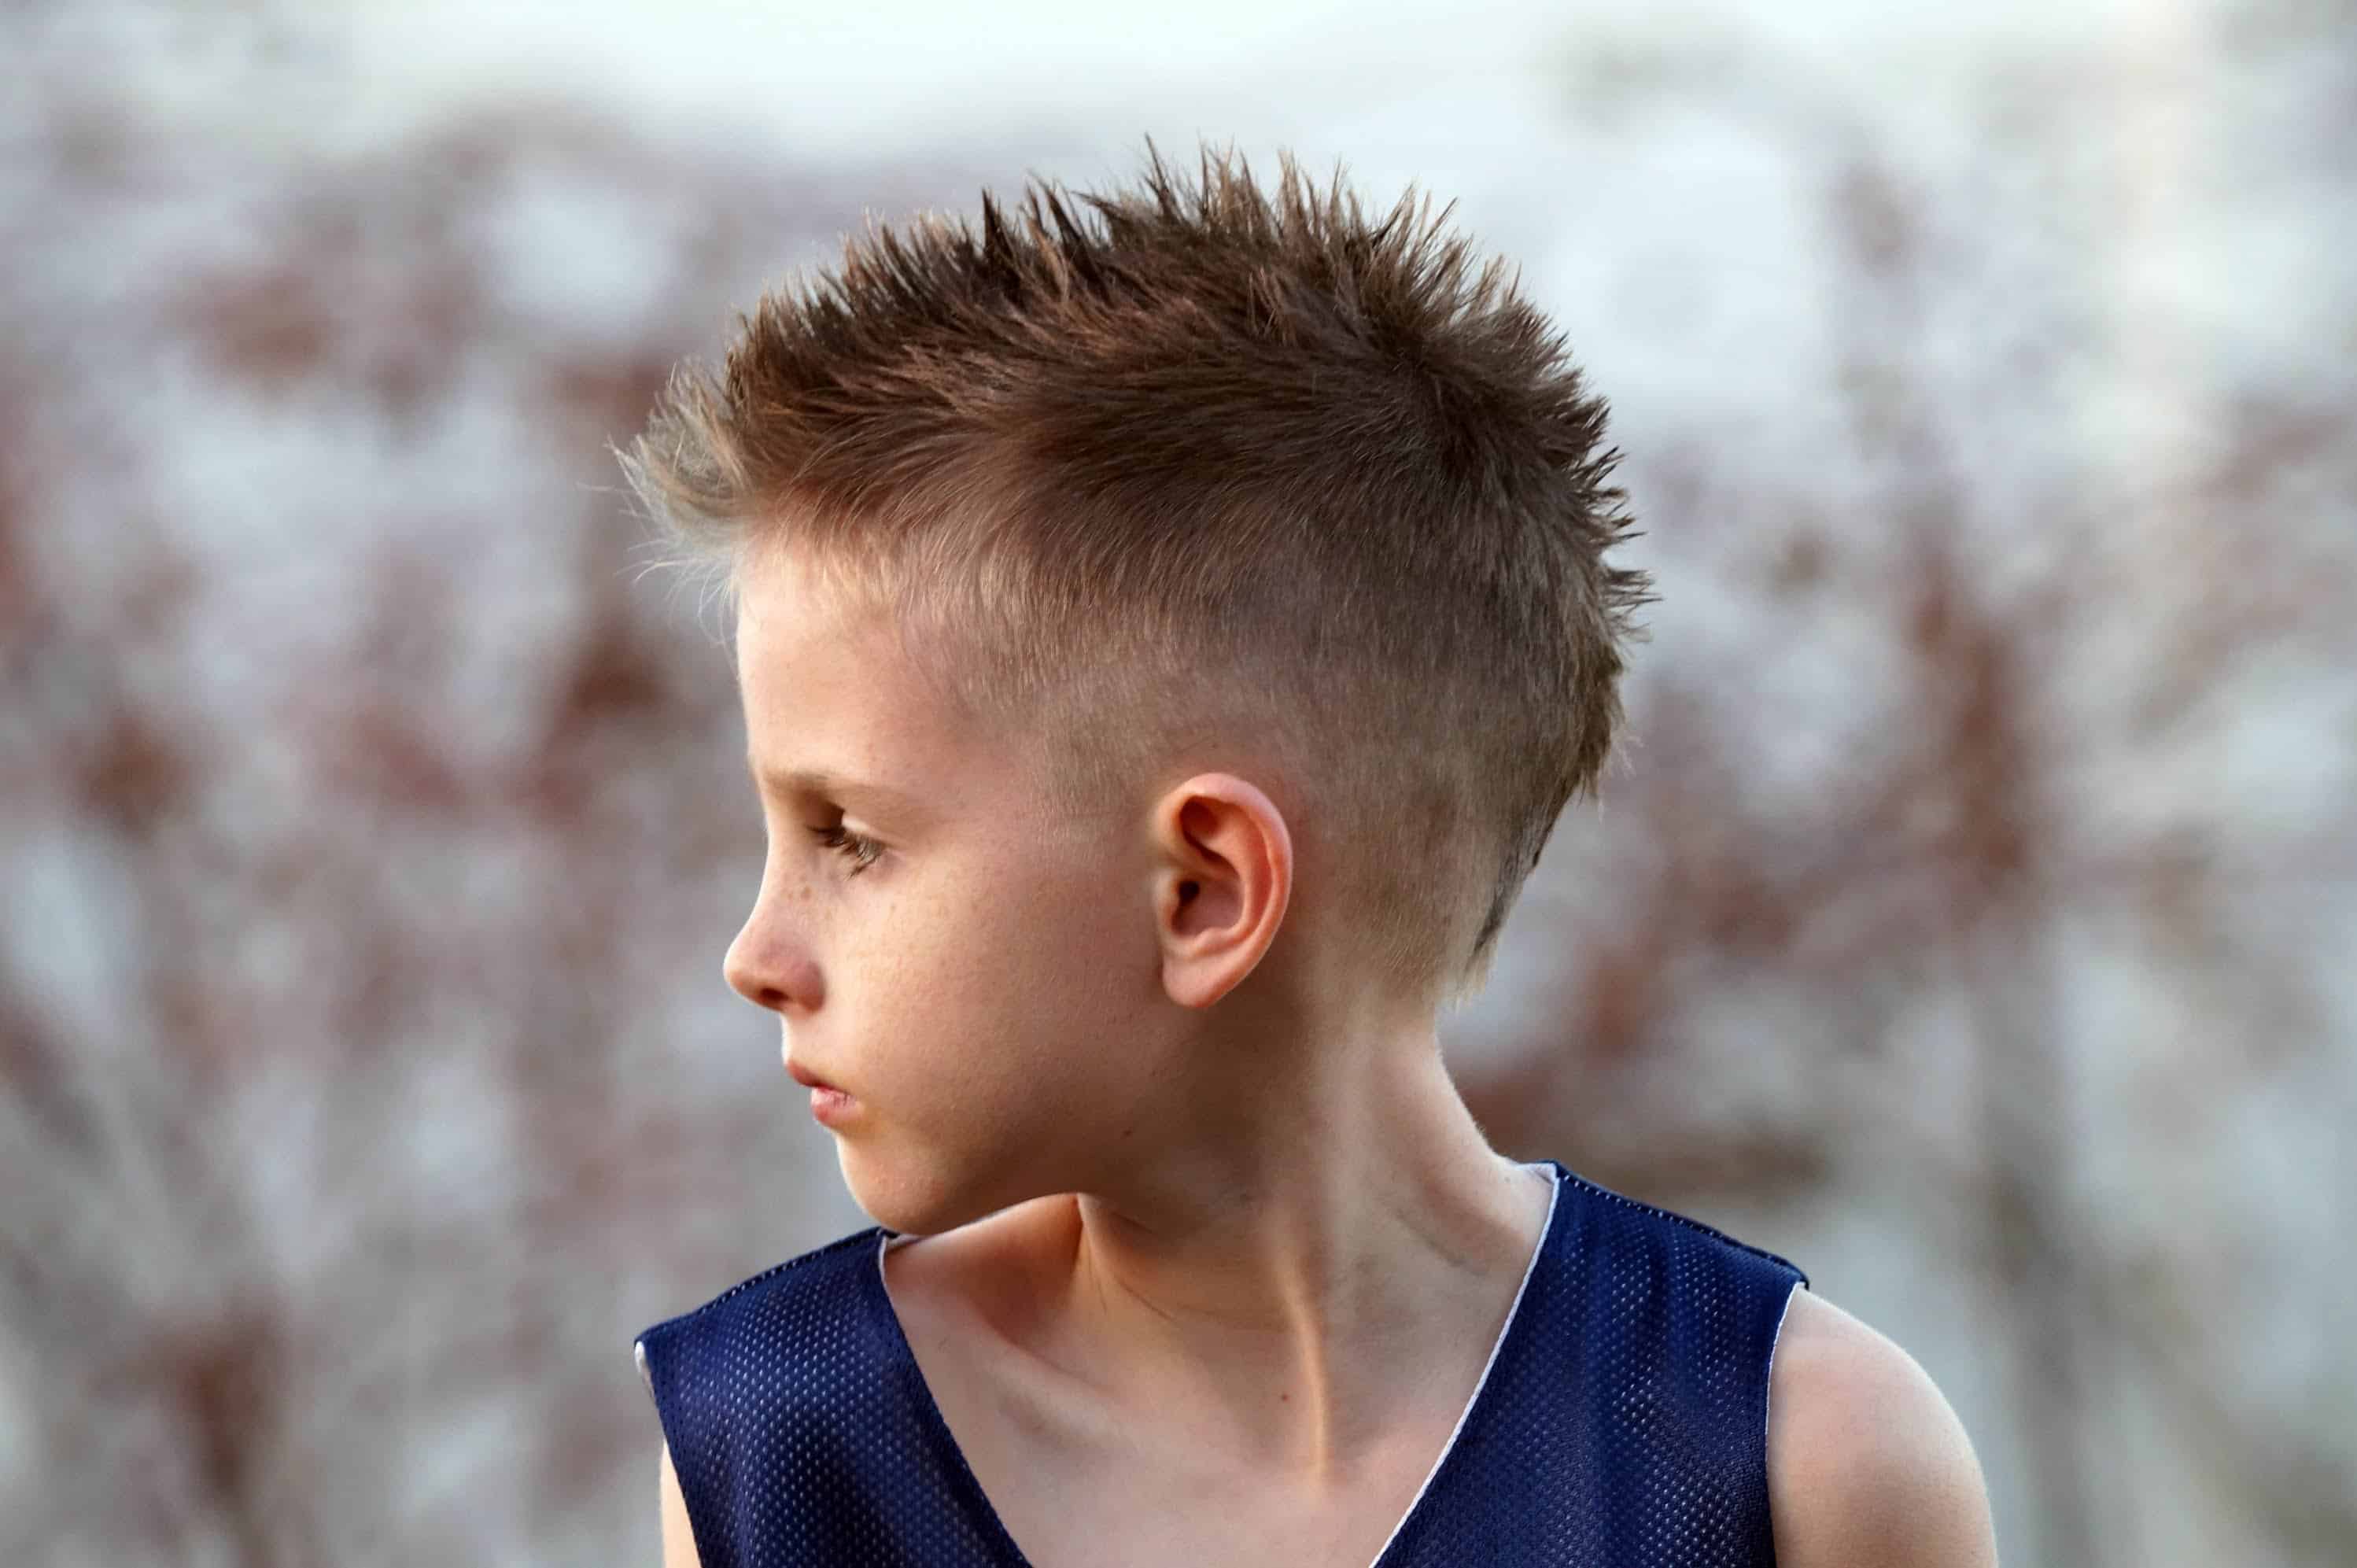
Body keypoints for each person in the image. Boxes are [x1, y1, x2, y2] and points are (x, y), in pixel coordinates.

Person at [617, 137, 1999, 1568]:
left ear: (1203, 889)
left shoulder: (1789, 1466)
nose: (755, 954)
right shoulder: (780, 1456)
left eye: (849, 835)